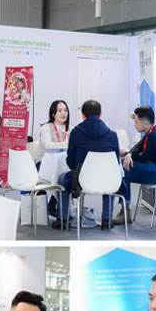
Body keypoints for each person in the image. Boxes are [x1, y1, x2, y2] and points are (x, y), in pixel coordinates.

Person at [53, 99, 119, 230]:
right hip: (107, 180)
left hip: (81, 180)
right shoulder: (112, 135)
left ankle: (63, 219)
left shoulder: (76, 133)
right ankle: (106, 220)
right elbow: (115, 161)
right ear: (101, 114)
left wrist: (78, 171)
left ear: (83, 115)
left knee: (61, 180)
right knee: (111, 185)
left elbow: (70, 159)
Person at [113, 105, 156, 224]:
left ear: (145, 123)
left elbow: (144, 158)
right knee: (124, 172)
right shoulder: (152, 130)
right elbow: (138, 147)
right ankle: (125, 211)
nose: (134, 125)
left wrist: (127, 154)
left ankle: (125, 211)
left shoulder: (155, 135)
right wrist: (129, 154)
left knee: (124, 165)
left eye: (136, 122)